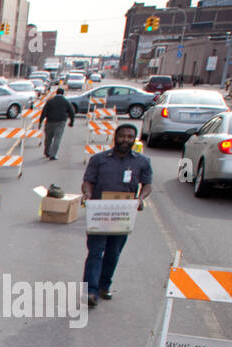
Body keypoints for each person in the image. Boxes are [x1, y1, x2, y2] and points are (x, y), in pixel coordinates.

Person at [80, 123, 153, 309]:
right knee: (95, 252)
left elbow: (147, 185)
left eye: (130, 137)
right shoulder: (98, 159)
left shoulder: (142, 162)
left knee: (113, 253)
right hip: (99, 212)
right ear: (115, 137)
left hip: (123, 215)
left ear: (134, 139)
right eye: (122, 136)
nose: (125, 140)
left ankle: (104, 286)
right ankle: (91, 291)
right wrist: (87, 195)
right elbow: (87, 181)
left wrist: (141, 199)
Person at [40, 86, 75, 160]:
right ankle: (53, 155)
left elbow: (44, 112)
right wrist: (71, 122)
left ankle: (47, 152)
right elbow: (71, 112)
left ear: (56, 93)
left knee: (48, 138)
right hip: (60, 122)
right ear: (63, 93)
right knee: (57, 138)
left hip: (49, 121)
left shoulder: (50, 101)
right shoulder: (66, 101)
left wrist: (40, 121)